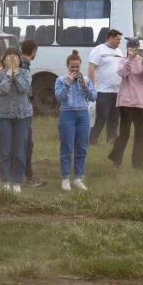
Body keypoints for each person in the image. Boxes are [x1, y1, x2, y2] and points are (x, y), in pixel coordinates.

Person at [108, 37, 143, 170]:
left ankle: (138, 164)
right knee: (125, 133)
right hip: (126, 102)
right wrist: (130, 59)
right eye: (131, 48)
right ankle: (116, 158)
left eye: (135, 48)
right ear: (127, 49)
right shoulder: (122, 60)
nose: (133, 50)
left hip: (140, 102)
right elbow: (122, 73)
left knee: (141, 134)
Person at [54, 50, 97, 191]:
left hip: (83, 114)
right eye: (72, 67)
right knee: (66, 146)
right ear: (67, 66)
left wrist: (85, 86)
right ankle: (65, 178)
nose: (75, 69)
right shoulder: (60, 80)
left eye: (77, 67)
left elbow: (93, 97)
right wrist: (67, 83)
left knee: (82, 147)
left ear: (80, 67)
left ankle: (78, 178)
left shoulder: (86, 80)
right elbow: (59, 98)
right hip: (67, 114)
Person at [0, 46, 32, 193]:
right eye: (9, 58)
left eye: (15, 57)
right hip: (4, 116)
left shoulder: (25, 73)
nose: (12, 60)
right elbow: (3, 89)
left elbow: (23, 89)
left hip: (22, 116)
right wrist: (9, 73)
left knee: (20, 150)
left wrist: (15, 73)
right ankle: (5, 181)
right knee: (4, 149)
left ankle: (17, 181)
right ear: (3, 60)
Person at [87, 28, 124, 145]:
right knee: (101, 117)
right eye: (118, 39)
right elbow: (91, 68)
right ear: (111, 38)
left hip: (116, 91)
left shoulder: (119, 52)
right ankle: (92, 139)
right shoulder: (99, 50)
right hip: (102, 91)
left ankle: (112, 139)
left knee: (114, 117)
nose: (119, 42)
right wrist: (91, 87)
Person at [19, 38, 45, 187]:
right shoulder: (24, 65)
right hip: (23, 110)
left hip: (22, 108)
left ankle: (24, 174)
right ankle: (27, 176)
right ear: (34, 51)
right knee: (27, 144)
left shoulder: (21, 63)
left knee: (25, 144)